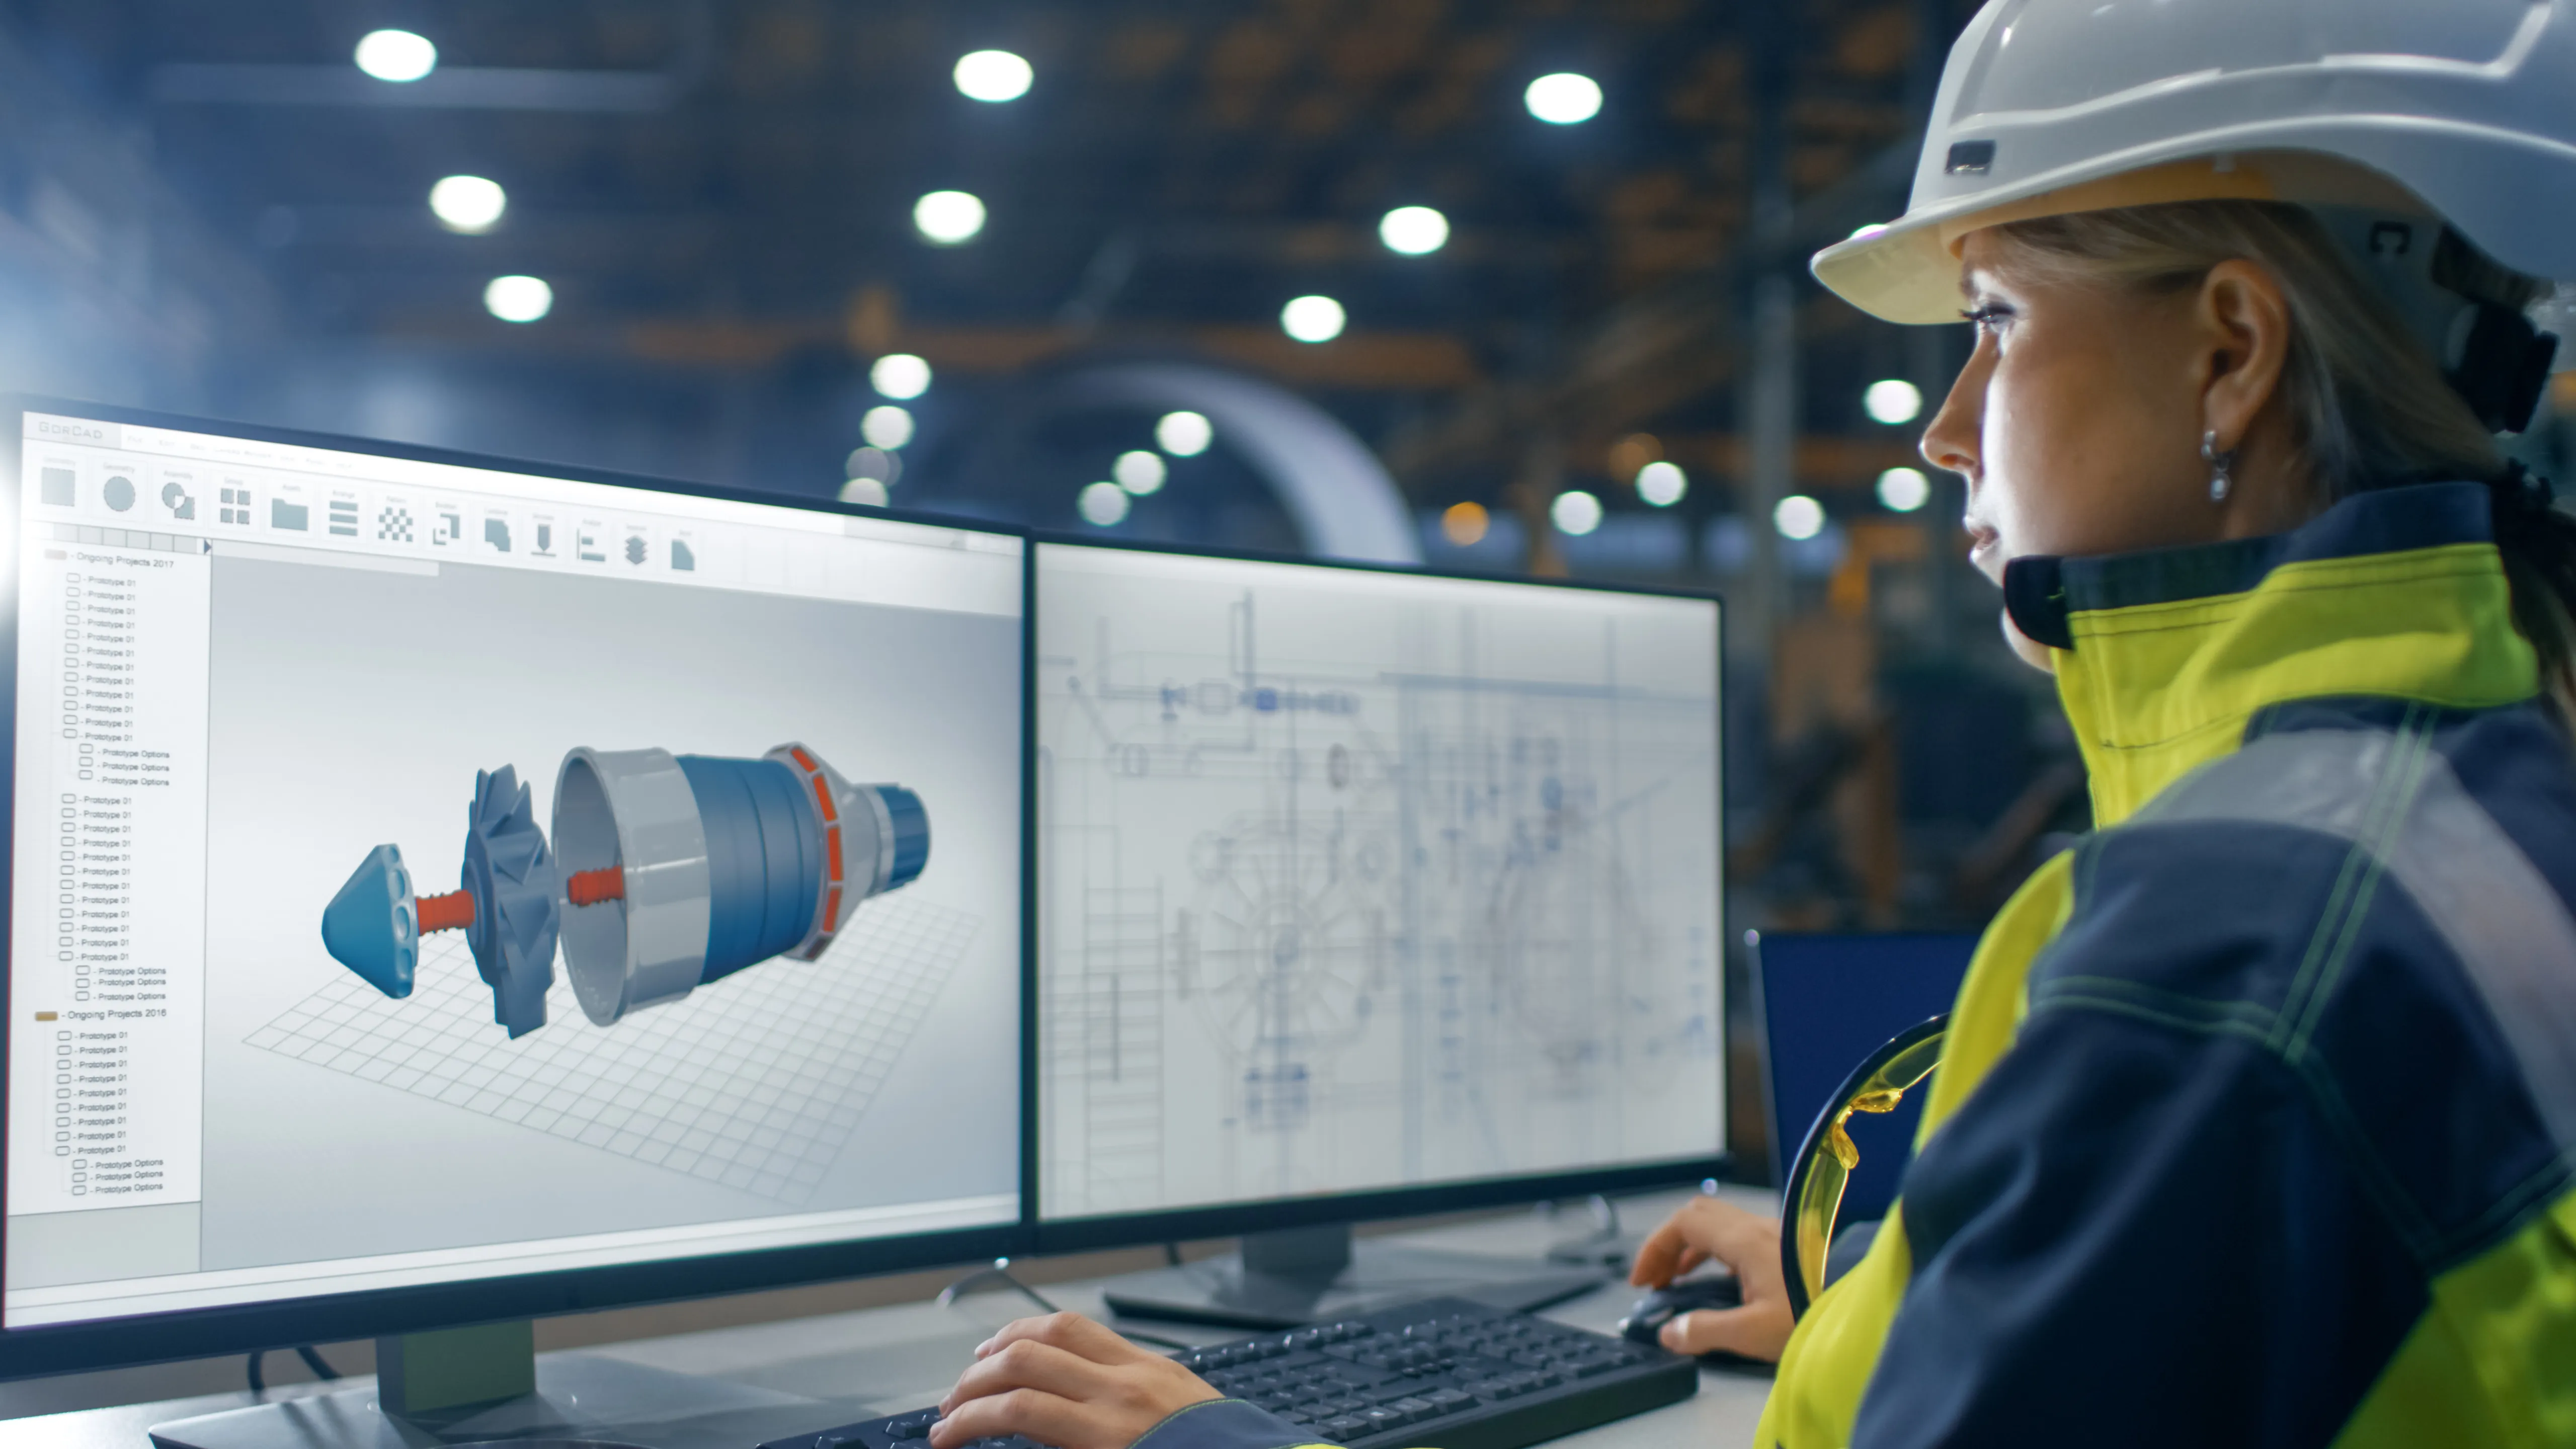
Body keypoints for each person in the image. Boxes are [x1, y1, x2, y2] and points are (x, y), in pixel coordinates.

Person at [930, 1, 2576, 1444]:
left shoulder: (2224, 947)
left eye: (1994, 321)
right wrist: (1905, 1308)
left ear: (2231, 351)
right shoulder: (2476, 797)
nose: (1945, 428)